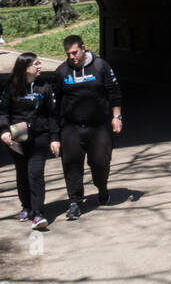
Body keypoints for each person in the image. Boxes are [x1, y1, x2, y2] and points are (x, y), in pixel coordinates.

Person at [52, 35, 124, 221]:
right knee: (72, 164)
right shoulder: (62, 71)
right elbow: (55, 103)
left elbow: (114, 93)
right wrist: (55, 133)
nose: (72, 57)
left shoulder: (101, 66)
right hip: (71, 126)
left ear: (83, 48)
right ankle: (75, 202)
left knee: (100, 162)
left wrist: (116, 116)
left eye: (75, 52)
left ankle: (102, 187)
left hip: (99, 125)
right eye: (68, 54)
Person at [0, 53, 60, 231]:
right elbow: (2, 112)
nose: (40, 67)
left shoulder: (45, 87)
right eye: (36, 64)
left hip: (40, 136)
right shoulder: (11, 88)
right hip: (18, 136)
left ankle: (38, 213)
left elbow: (53, 115)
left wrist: (55, 138)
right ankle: (27, 207)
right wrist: (4, 130)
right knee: (22, 173)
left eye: (40, 63)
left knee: (35, 173)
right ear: (25, 68)